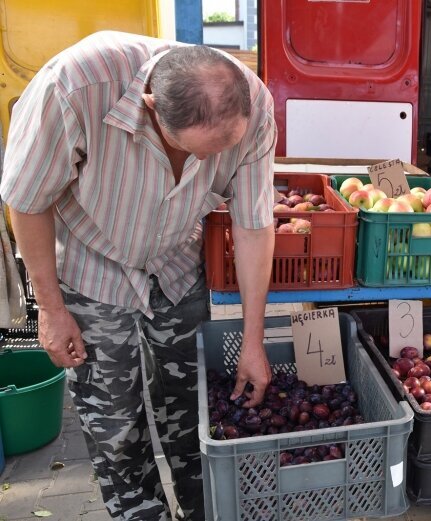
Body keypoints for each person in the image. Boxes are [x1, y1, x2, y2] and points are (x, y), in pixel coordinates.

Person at [0, 31, 276, 521]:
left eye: (218, 154)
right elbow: (26, 201)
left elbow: (253, 224)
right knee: (116, 424)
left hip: (175, 263)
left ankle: (205, 511)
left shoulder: (254, 105)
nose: (206, 167)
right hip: (91, 264)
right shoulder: (73, 87)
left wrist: (252, 339)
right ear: (151, 108)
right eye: (193, 152)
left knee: (196, 412)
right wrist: (51, 309)